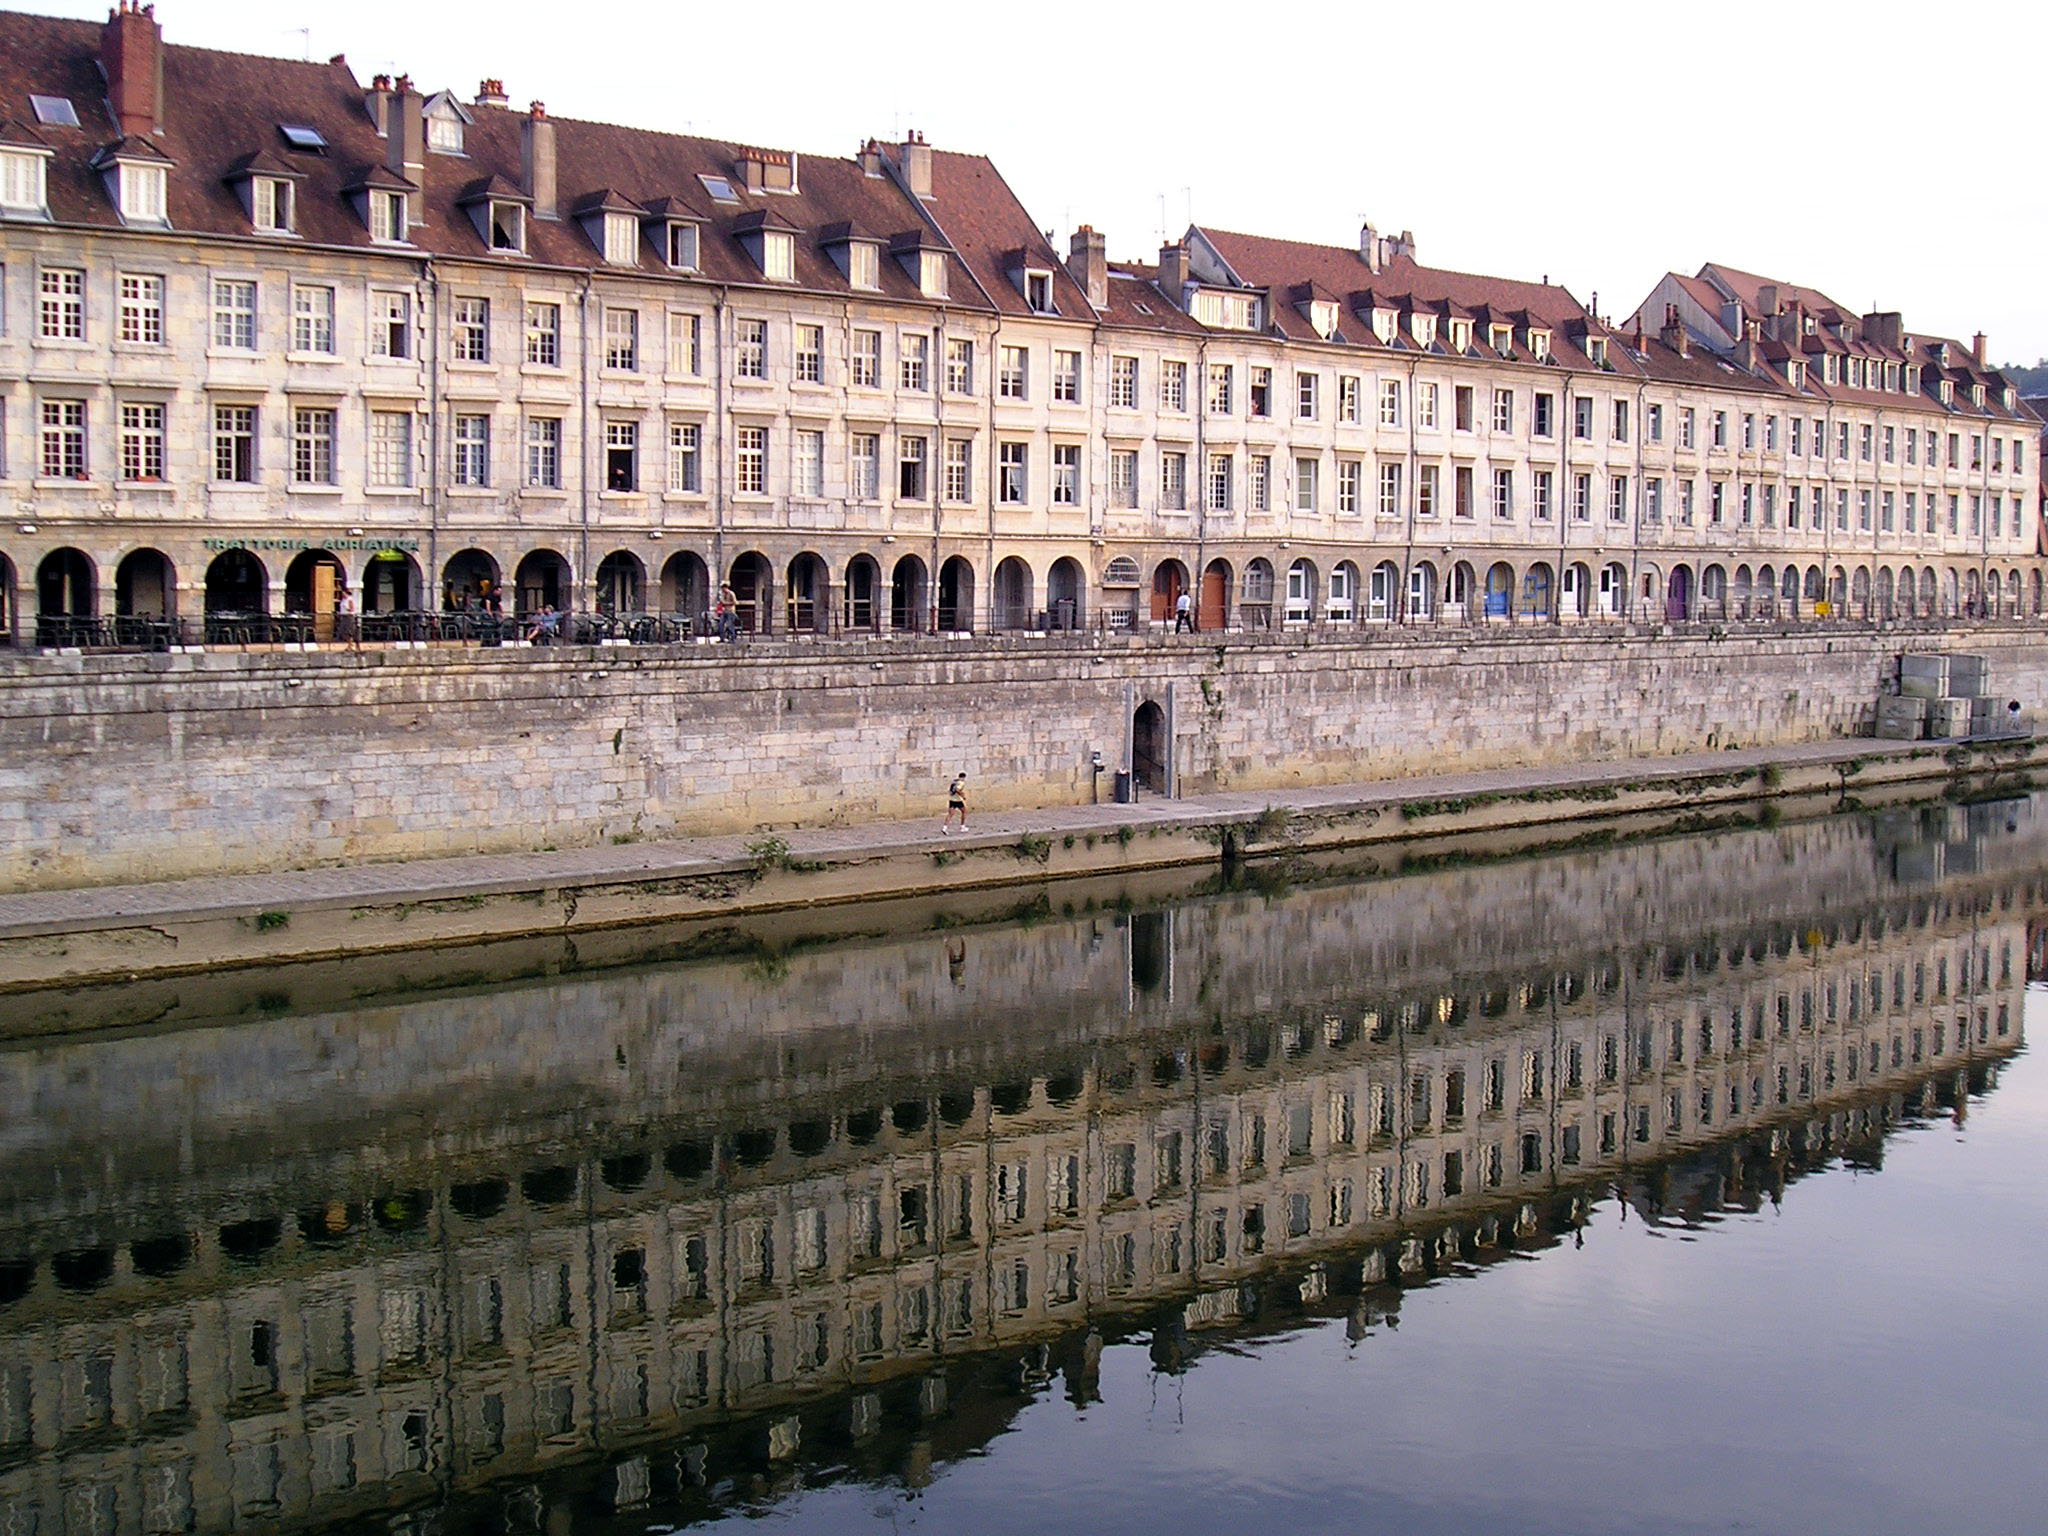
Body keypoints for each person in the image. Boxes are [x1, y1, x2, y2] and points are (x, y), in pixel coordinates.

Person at [337, 584, 360, 651]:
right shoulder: (343, 600)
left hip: (349, 616)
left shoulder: (350, 600)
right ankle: (349, 644)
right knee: (343, 632)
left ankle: (351, 645)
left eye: (343, 593)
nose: (342, 595)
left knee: (349, 631)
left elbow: (352, 609)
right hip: (344, 617)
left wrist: (347, 609)